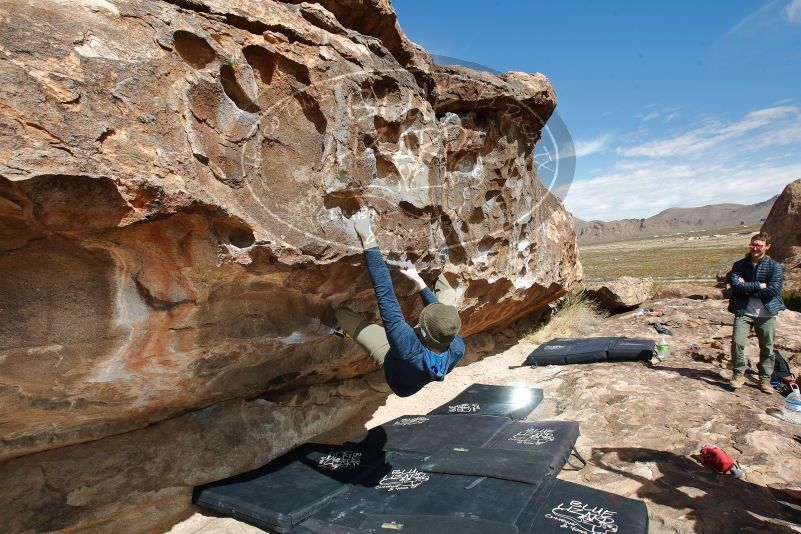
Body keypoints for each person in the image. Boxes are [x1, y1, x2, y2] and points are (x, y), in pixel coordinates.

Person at [333, 209, 465, 397]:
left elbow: (384, 293)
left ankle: (344, 331)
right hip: (418, 360)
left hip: (394, 371)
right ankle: (435, 273)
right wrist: (419, 281)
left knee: (341, 315)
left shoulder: (406, 345)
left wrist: (367, 236)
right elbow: (439, 315)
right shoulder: (456, 345)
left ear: (423, 331)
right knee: (448, 293)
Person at [727, 232, 785, 392]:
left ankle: (764, 379)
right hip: (743, 311)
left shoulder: (774, 267)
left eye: (758, 245)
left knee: (767, 347)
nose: (754, 248)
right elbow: (735, 285)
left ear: (767, 247)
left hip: (766, 314)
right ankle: (738, 375)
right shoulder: (739, 265)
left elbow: (773, 290)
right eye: (752, 244)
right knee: (737, 343)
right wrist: (760, 285)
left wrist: (747, 288)